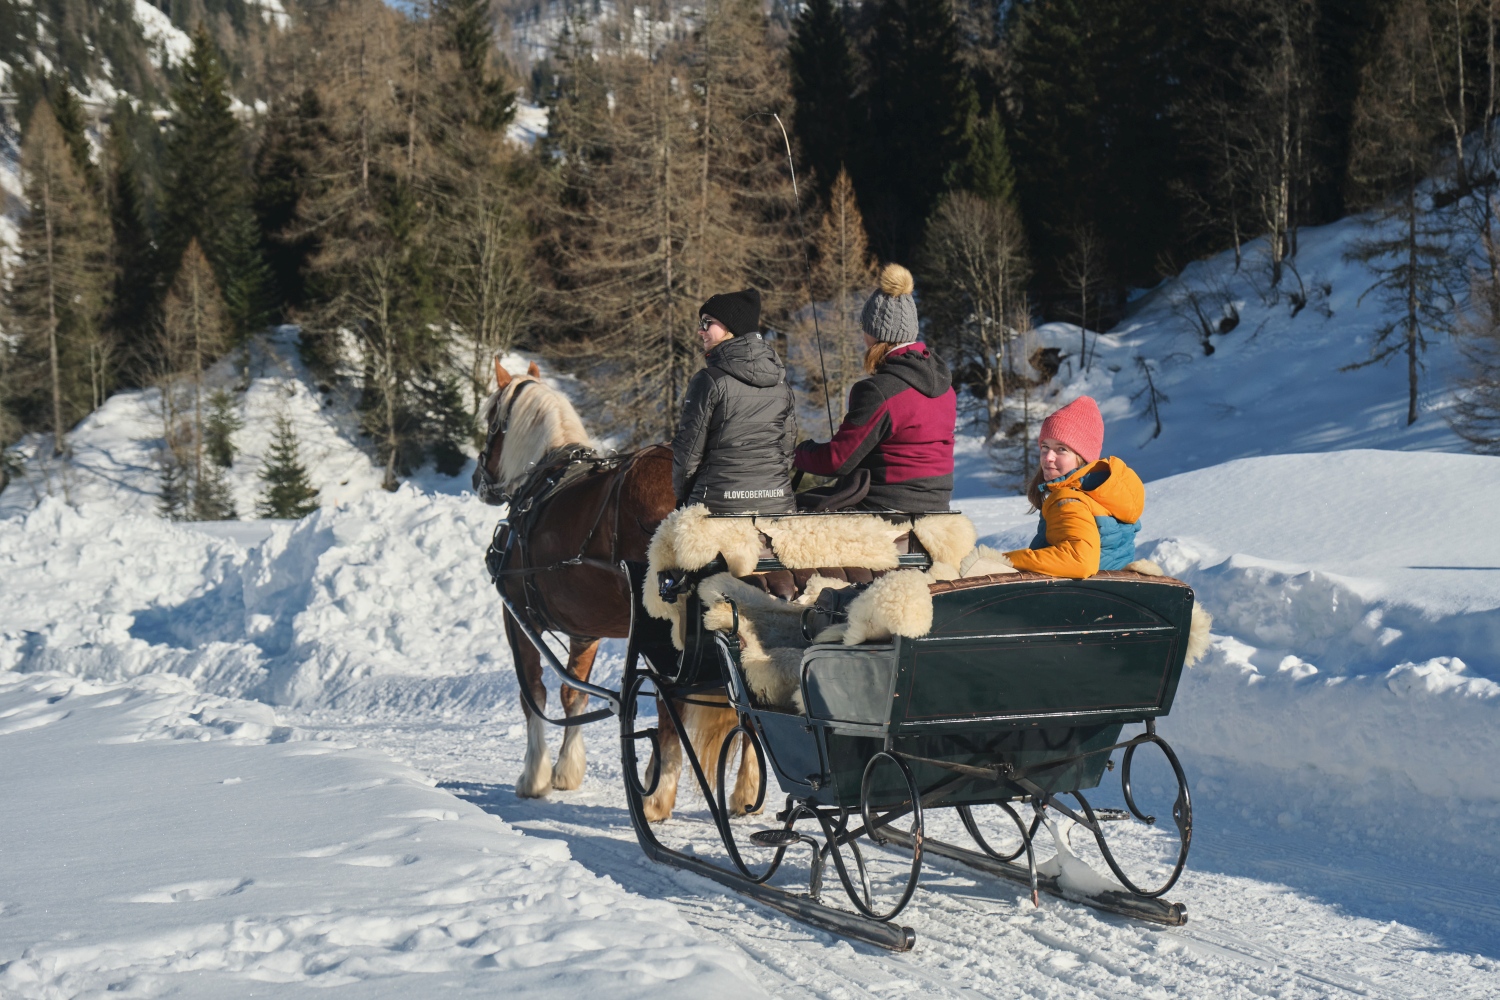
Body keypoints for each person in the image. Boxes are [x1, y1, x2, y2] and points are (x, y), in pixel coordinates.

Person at [793, 263, 956, 511]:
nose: (862, 338)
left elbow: (837, 461)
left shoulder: (878, 391)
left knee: (789, 516)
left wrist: (799, 453)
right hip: (936, 506)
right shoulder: (946, 388)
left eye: (864, 329)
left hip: (885, 505)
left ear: (875, 333)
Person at [671, 287, 797, 513]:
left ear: (730, 326)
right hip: (777, 507)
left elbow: (688, 452)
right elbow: (787, 450)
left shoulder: (709, 381)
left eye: (707, 322)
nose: (701, 331)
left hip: (716, 508)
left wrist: (683, 497)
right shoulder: (781, 383)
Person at [1004, 395, 1144, 579]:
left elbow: (1080, 561)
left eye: (1061, 449)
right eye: (1045, 447)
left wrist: (1005, 561)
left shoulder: (1068, 500)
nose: (1048, 457)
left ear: (1082, 457)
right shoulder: (1100, 496)